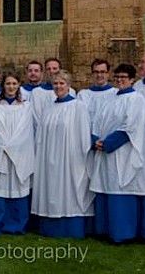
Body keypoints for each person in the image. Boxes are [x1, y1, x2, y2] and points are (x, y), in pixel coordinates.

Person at [89, 63, 145, 243]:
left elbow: (131, 126)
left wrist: (109, 143)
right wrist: (95, 140)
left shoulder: (136, 99)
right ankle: (105, 230)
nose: (119, 80)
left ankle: (124, 232)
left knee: (122, 186)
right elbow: (97, 122)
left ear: (132, 80)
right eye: (117, 77)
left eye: (123, 77)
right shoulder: (110, 99)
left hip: (124, 152)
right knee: (106, 186)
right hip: (105, 153)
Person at [31, 70, 94, 238]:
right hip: (49, 158)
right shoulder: (49, 107)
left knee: (69, 191)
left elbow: (83, 134)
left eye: (62, 83)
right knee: (51, 189)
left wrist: (79, 158)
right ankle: (50, 227)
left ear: (69, 85)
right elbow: (41, 135)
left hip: (70, 159)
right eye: (55, 84)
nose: (58, 87)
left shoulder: (78, 106)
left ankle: (71, 228)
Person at [0, 72, 35, 236]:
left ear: (19, 85)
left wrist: (14, 147)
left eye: (14, 83)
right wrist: (5, 146)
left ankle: (17, 224)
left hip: (19, 154)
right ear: (3, 86)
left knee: (17, 188)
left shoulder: (26, 106)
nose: (11, 87)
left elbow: (25, 131)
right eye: (8, 84)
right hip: (1, 153)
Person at [77, 58, 117, 130]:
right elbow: (79, 119)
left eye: (102, 72)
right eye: (96, 72)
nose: (99, 75)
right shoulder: (83, 95)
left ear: (108, 74)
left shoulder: (116, 94)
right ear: (92, 74)